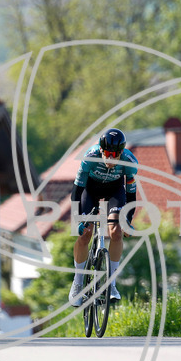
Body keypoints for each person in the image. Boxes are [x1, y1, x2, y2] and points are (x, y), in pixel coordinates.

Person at [68, 128, 138, 306]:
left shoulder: (129, 162)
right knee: (85, 234)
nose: (111, 158)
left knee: (116, 232)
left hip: (115, 191)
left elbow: (131, 195)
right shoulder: (89, 157)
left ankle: (111, 285)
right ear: (101, 150)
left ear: (122, 152)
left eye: (116, 154)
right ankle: (77, 284)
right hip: (90, 190)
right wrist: (77, 220)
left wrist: (128, 220)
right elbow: (77, 192)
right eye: (108, 153)